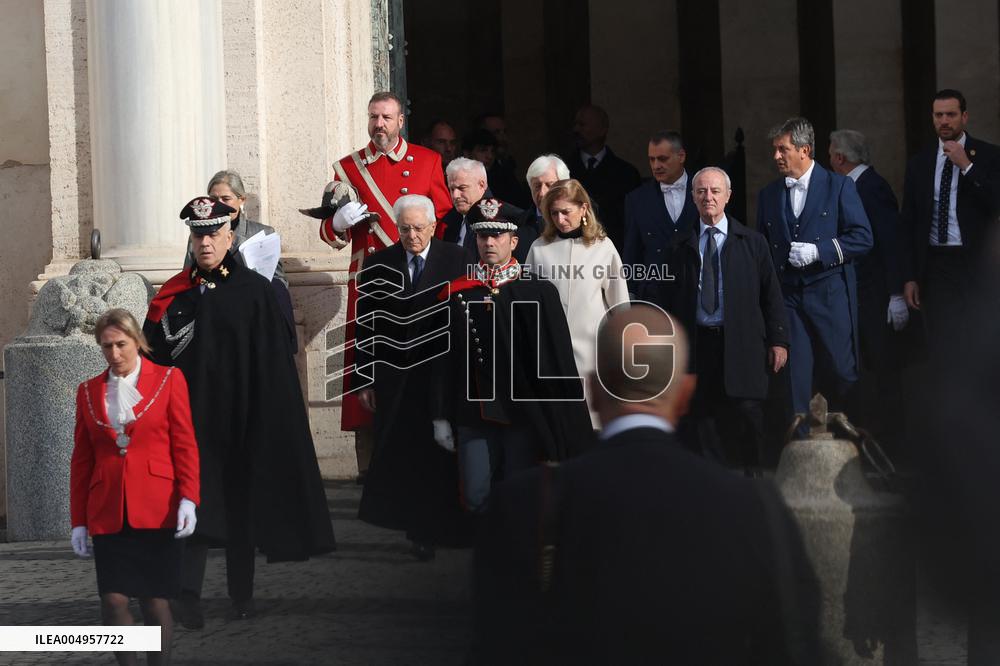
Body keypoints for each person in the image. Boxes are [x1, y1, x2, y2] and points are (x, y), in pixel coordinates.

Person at [472, 304, 821, 664]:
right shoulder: (757, 509)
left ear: (593, 391)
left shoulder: (523, 505)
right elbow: (798, 649)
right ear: (685, 395)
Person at [146, 197, 335, 628]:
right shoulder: (174, 293)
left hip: (242, 420)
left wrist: (266, 420)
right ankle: (187, 595)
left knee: (240, 509)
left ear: (230, 237)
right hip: (189, 424)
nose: (205, 243)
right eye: (198, 235)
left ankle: (241, 594)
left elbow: (272, 365)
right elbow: (152, 358)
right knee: (191, 507)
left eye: (213, 234)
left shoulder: (254, 292)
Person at [317, 91, 452, 478]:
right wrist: (337, 223)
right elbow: (329, 233)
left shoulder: (427, 161)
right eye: (373, 117)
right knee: (367, 369)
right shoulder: (348, 168)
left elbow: (442, 219)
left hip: (417, 276)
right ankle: (370, 468)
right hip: (370, 281)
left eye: (386, 117)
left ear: (400, 121)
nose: (379, 124)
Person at [432, 199, 594, 513]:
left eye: (497, 236)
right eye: (483, 236)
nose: (489, 243)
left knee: (520, 494)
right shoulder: (459, 293)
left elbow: (556, 361)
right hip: (474, 414)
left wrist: (559, 419)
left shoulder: (538, 291)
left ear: (514, 241)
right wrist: (440, 414)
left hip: (523, 414)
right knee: (476, 495)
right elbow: (444, 362)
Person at [71, 308, 200, 666]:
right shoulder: (88, 391)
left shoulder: (169, 379)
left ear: (137, 341)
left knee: (154, 600)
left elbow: (185, 445)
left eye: (121, 344)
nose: (114, 354)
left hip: (158, 507)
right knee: (113, 600)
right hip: (108, 510)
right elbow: (81, 460)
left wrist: (189, 498)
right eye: (106, 346)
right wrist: (78, 521)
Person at [354, 194, 468, 561]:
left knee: (441, 453)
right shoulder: (378, 264)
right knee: (407, 454)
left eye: (419, 228)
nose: (412, 236)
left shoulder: (457, 259)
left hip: (442, 373)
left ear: (433, 226)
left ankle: (445, 526)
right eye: (405, 229)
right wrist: (365, 379)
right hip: (395, 377)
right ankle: (417, 530)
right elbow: (365, 325)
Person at [663, 167, 788, 472]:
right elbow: (668, 299)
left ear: (728, 196)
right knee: (701, 416)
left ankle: (753, 479)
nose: (708, 197)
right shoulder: (679, 245)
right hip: (698, 342)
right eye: (701, 191)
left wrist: (779, 340)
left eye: (715, 191)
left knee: (748, 410)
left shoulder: (752, 242)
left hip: (742, 342)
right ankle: (711, 482)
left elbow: (771, 294)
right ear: (693, 197)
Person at [756, 117, 872, 432]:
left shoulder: (839, 186)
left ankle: (852, 445)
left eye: (783, 149)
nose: (776, 156)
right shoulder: (768, 195)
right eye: (775, 149)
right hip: (789, 298)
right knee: (795, 379)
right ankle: (800, 450)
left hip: (829, 294)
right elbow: (762, 251)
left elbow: (863, 237)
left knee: (843, 371)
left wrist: (819, 252)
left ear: (804, 150)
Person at [899, 88, 1000, 346]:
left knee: (979, 337)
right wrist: (909, 276)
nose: (944, 121)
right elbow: (908, 222)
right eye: (938, 115)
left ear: (964, 117)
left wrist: (967, 166)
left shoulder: (989, 155)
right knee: (944, 338)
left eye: (951, 115)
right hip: (937, 263)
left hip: (976, 261)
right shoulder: (919, 163)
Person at [525, 178, 629, 427]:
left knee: (596, 426)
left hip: (594, 354)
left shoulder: (603, 247)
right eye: (554, 213)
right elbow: (527, 306)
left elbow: (620, 306)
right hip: (550, 354)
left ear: (583, 209)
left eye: (566, 212)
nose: (560, 219)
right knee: (559, 427)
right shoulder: (538, 249)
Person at [828, 129, 907, 446]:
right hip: (860, 293)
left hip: (876, 294)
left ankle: (890, 440)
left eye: (830, 153)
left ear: (840, 157)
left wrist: (896, 293)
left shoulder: (872, 187)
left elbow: (891, 240)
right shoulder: (853, 185)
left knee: (882, 367)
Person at [623, 131, 699, 303]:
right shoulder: (637, 199)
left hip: (697, 291)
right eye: (652, 159)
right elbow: (632, 251)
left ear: (681, 156)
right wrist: (630, 294)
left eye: (663, 159)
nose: (656, 165)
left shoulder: (705, 190)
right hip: (654, 294)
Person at [184, 170, 287, 287]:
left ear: (241, 200)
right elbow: (186, 277)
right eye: (214, 199)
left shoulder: (262, 234)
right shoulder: (198, 235)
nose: (219, 204)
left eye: (226, 199)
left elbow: (278, 280)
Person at [566, 104, 641, 252]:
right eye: (575, 124)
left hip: (613, 251)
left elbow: (633, 223)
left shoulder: (626, 174)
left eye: (582, 125)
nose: (576, 130)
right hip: (573, 251)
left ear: (602, 129)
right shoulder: (564, 170)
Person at [441, 157, 530, 261]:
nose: (455, 195)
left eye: (462, 188)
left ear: (481, 185)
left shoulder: (506, 218)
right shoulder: (450, 220)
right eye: (452, 189)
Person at [478, 112, 530, 208]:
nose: (502, 138)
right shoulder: (484, 171)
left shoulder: (508, 165)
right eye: (496, 132)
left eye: (505, 132)